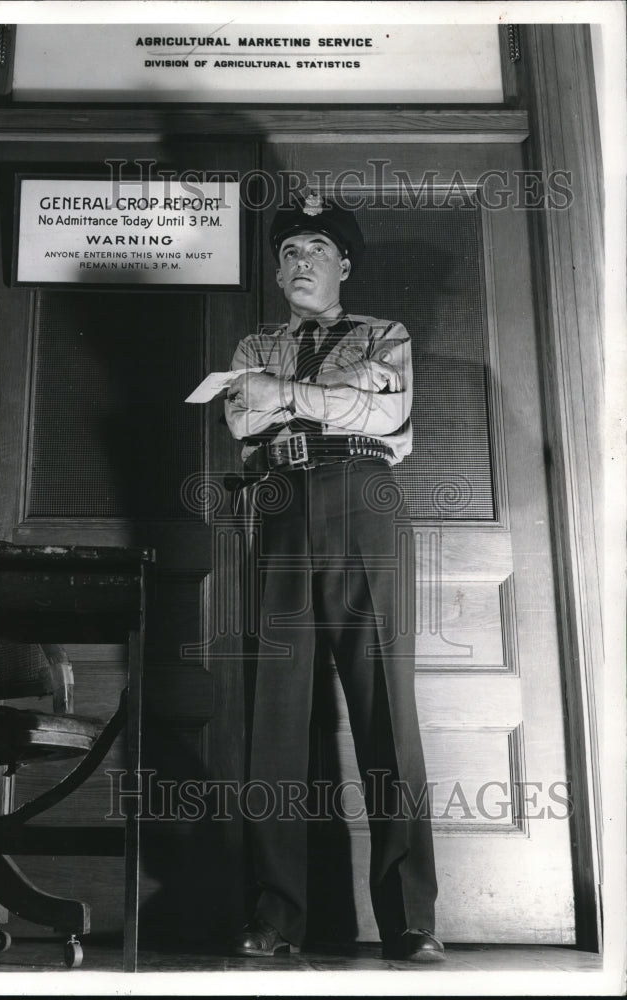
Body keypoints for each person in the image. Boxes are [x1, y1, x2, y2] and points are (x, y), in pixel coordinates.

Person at [224, 192, 443, 962]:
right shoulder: (254, 344)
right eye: (288, 251)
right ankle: (276, 917)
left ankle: (411, 919)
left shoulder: (386, 334)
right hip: (280, 504)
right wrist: (338, 399)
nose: (300, 262)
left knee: (385, 703)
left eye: (316, 248)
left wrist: (287, 396)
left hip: (364, 501)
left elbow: (385, 420)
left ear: (343, 264)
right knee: (274, 716)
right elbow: (242, 425)